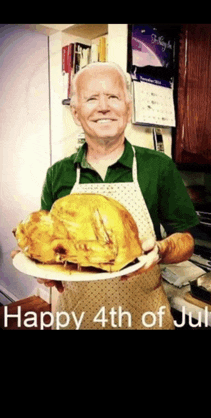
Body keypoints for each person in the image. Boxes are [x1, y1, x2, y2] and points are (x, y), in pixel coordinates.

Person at [12, 62, 199, 329]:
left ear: (128, 107)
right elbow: (50, 246)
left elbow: (187, 242)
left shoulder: (158, 167)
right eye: (91, 99)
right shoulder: (58, 174)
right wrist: (39, 265)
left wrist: (160, 250)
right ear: (76, 113)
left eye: (113, 97)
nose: (104, 107)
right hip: (77, 318)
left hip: (144, 317)